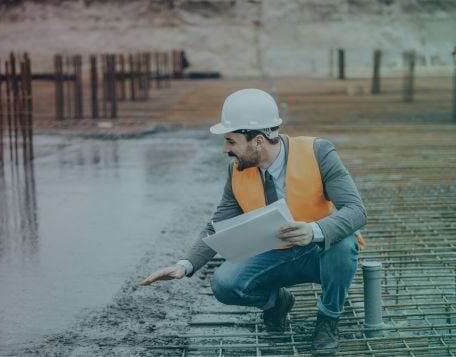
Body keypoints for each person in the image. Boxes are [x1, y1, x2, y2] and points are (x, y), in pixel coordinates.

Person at [141, 88, 367, 354]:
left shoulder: (319, 152)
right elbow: (217, 224)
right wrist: (185, 265)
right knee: (224, 284)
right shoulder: (236, 171)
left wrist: (314, 230)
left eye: (230, 141)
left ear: (258, 141)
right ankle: (277, 302)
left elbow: (356, 210)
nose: (225, 149)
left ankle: (328, 319)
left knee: (344, 242)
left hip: (321, 256)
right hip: (275, 257)